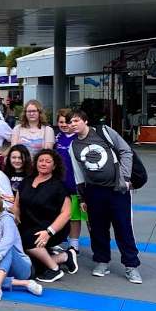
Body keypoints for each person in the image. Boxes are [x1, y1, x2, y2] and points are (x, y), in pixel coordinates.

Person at [66, 110, 142, 284]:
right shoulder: (74, 146)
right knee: (98, 229)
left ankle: (131, 266)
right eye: (70, 123)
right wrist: (83, 197)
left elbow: (126, 151)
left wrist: (125, 178)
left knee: (123, 227)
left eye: (76, 121)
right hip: (94, 191)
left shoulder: (104, 132)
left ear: (85, 120)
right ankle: (102, 261)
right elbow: (78, 173)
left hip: (117, 189)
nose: (73, 125)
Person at [15, 149, 77, 283]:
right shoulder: (27, 180)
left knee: (27, 240)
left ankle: (54, 269)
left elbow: (66, 214)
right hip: (28, 224)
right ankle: (64, 257)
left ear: (54, 166)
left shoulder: (59, 186)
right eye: (40, 160)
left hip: (50, 227)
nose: (43, 164)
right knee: (21, 248)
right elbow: (17, 206)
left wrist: (49, 232)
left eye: (48, 161)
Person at [0, 191, 43, 302]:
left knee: (7, 247)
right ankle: (24, 284)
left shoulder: (7, 219)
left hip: (20, 267)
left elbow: (8, 240)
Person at [55, 108, 84, 252]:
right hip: (65, 186)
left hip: (83, 187)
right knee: (74, 217)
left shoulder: (80, 138)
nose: (64, 124)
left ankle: (99, 249)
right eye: (61, 122)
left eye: (67, 121)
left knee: (91, 219)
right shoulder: (57, 138)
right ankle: (74, 246)